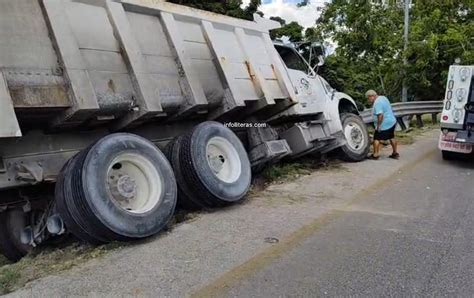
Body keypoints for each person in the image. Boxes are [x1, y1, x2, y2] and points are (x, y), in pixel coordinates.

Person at [366, 90, 400, 160]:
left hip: (384, 124)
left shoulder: (377, 103)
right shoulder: (383, 97)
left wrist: (378, 126)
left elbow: (380, 115)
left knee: (376, 138)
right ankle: (395, 153)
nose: (368, 100)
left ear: (371, 96)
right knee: (391, 137)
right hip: (392, 121)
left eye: (368, 98)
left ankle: (375, 155)